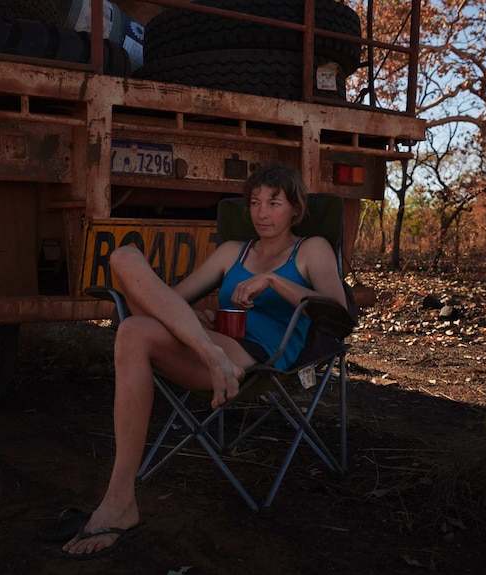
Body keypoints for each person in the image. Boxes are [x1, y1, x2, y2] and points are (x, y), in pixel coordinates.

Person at [60, 163, 348, 559]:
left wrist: (274, 282)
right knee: (124, 257)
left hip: (255, 356)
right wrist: (191, 317)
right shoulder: (234, 252)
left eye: (274, 203)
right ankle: (209, 358)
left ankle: (117, 501)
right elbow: (172, 297)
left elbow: (338, 311)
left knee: (132, 331)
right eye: (255, 203)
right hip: (213, 351)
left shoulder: (310, 248)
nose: (262, 213)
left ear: (294, 209)